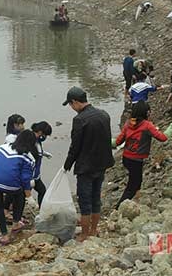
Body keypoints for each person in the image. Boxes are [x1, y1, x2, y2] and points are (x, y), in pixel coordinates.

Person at [62, 87, 114, 241]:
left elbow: (75, 146)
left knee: (85, 201)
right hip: (102, 164)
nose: (72, 108)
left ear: (76, 102)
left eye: (71, 105)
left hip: (86, 167)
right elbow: (106, 140)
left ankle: (84, 234)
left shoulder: (80, 120)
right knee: (96, 198)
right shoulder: (104, 115)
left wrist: (67, 165)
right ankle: (93, 230)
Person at [0, 130, 36, 245]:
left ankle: (4, 235)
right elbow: (25, 179)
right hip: (11, 185)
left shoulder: (1, 148)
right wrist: (29, 196)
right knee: (19, 195)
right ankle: (16, 223)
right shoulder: (28, 157)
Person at [115, 101, 167, 208]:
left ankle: (137, 200)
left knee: (137, 180)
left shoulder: (129, 123)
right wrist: (171, 128)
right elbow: (162, 138)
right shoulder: (147, 125)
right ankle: (119, 207)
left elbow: (118, 141)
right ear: (146, 113)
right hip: (136, 160)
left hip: (126, 158)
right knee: (132, 186)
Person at [30, 121, 53, 207]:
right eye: (45, 135)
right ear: (40, 132)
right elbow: (29, 158)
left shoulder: (37, 140)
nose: (45, 137)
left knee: (42, 191)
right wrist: (30, 177)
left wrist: (44, 153)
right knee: (22, 195)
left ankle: (41, 209)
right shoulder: (31, 140)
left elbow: (38, 151)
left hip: (36, 175)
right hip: (29, 176)